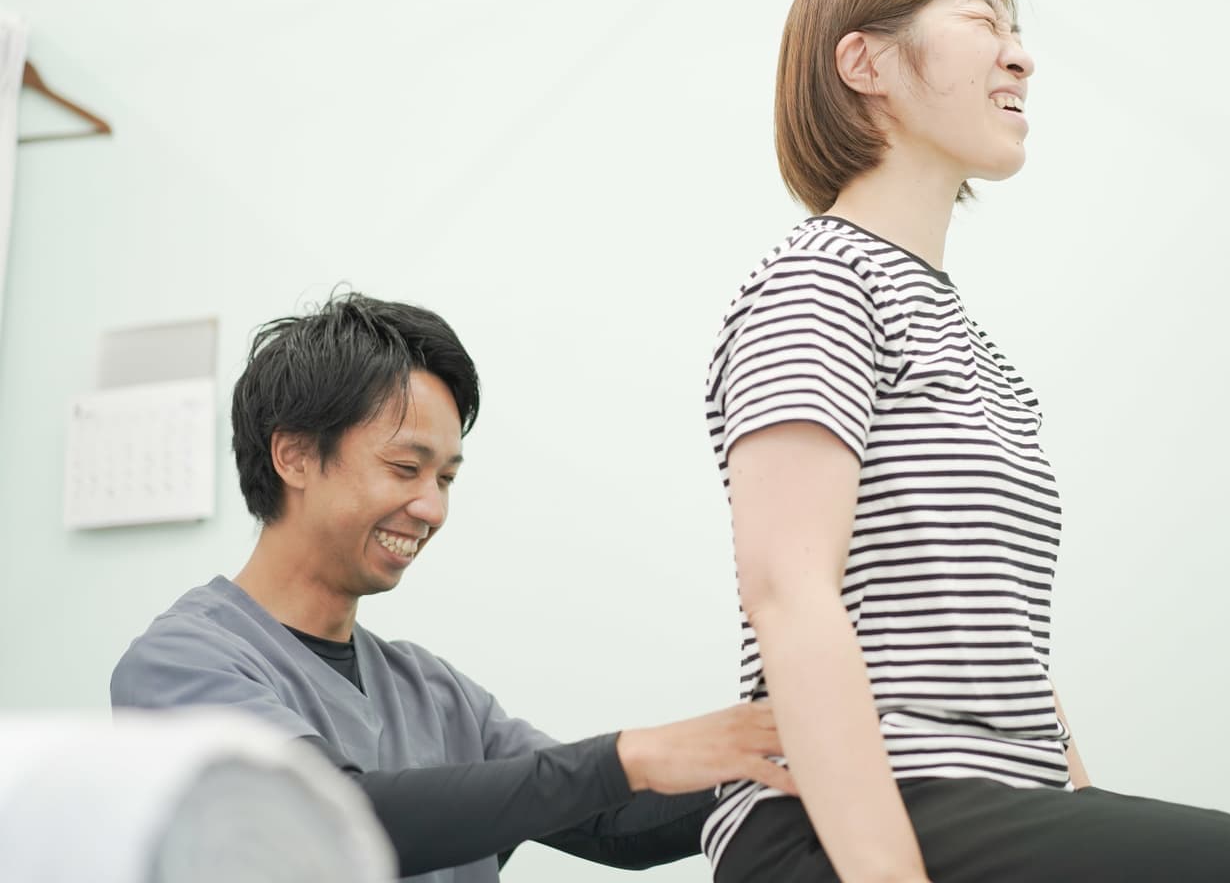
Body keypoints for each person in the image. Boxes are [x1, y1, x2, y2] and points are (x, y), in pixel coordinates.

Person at [700, 0, 1230, 883]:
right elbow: (790, 594)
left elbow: (1002, 644)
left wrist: (1081, 798)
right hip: (859, 820)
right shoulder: (820, 280)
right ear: (865, 63)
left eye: (1018, 32)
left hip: (998, 805)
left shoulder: (971, 343)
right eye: (984, 22)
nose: (1021, 57)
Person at [112, 292, 796, 883]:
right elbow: (336, 815)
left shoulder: (434, 694)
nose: (432, 509)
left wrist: (799, 760)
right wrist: (626, 757)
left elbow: (611, 822)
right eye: (404, 468)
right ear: (293, 455)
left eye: (446, 479)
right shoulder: (181, 665)